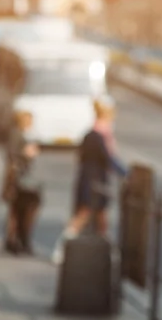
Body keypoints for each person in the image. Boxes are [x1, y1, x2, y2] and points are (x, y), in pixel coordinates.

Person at [51, 97, 126, 264]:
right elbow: (108, 159)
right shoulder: (97, 136)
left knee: (101, 219)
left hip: (94, 181)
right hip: (93, 182)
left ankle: (108, 254)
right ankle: (62, 248)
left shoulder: (94, 134)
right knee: (82, 216)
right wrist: (126, 173)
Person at [1, 110, 42, 255]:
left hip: (26, 179)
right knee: (17, 211)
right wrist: (26, 153)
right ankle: (15, 240)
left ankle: (18, 240)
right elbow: (13, 157)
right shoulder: (18, 135)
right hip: (20, 180)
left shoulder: (27, 134)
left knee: (20, 211)